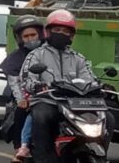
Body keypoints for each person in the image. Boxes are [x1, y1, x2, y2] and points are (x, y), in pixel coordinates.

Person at [22, 10, 114, 162]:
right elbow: (27, 80)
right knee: (42, 115)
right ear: (48, 32)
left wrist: (102, 86)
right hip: (49, 101)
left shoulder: (78, 59)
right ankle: (44, 157)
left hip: (76, 104)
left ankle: (100, 154)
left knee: (108, 118)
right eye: (57, 30)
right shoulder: (36, 55)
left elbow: (90, 79)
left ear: (71, 35)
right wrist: (39, 86)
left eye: (65, 31)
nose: (61, 33)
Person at [0, 15, 44, 162]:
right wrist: (21, 99)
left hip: (49, 95)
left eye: (33, 35)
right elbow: (13, 81)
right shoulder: (15, 58)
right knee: (20, 112)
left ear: (41, 34)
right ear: (20, 38)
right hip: (25, 96)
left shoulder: (49, 52)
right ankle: (20, 147)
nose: (30, 39)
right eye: (26, 36)